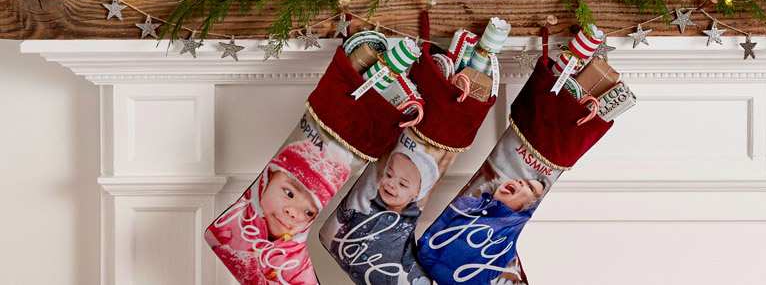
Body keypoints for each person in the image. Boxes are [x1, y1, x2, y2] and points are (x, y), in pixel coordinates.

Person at [206, 140, 351, 285]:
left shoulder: (296, 263)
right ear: (267, 180)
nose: (293, 212)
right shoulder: (233, 223)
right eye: (289, 193)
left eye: (308, 212)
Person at [328, 142, 440, 285]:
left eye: (403, 184)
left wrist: (417, 278)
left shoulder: (406, 225)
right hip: (346, 250)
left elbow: (406, 258)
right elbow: (344, 217)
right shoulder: (369, 203)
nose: (391, 184)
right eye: (389, 174)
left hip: (381, 271)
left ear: (416, 194)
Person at [418, 177, 548, 285]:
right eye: (521, 180)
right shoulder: (466, 203)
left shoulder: (513, 229)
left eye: (530, 187)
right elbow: (435, 230)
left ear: (532, 206)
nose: (520, 181)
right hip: (420, 274)